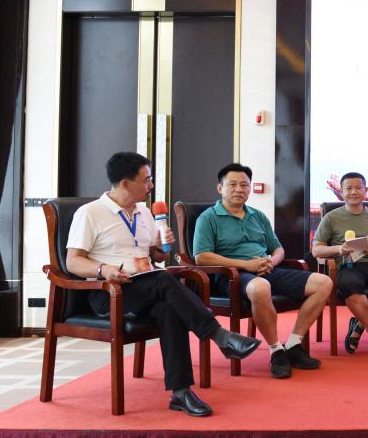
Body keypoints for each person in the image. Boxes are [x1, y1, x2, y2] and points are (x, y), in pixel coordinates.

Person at [65, 152, 261, 417]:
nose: (151, 185)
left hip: (146, 285)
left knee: (169, 308)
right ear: (125, 183)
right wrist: (103, 269)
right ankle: (220, 336)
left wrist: (159, 247)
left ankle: (181, 392)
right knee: (164, 280)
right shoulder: (90, 213)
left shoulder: (145, 212)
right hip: (110, 293)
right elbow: (73, 262)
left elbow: (154, 257)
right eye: (146, 180)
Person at [193, 163, 333, 379]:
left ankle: (293, 344)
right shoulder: (208, 218)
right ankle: (276, 350)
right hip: (232, 276)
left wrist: (272, 261)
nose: (239, 189)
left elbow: (278, 248)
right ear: (220, 188)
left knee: (323, 283)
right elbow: (202, 256)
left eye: (244, 185)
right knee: (260, 287)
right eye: (232, 184)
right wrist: (245, 265)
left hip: (267, 269)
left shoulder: (257, 216)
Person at [311, 172, 368, 354]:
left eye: (358, 188)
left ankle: (359, 325)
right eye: (349, 188)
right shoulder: (331, 217)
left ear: (365, 190)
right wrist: (339, 249)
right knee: (353, 289)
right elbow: (316, 250)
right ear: (342, 192)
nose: (353, 192)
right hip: (348, 266)